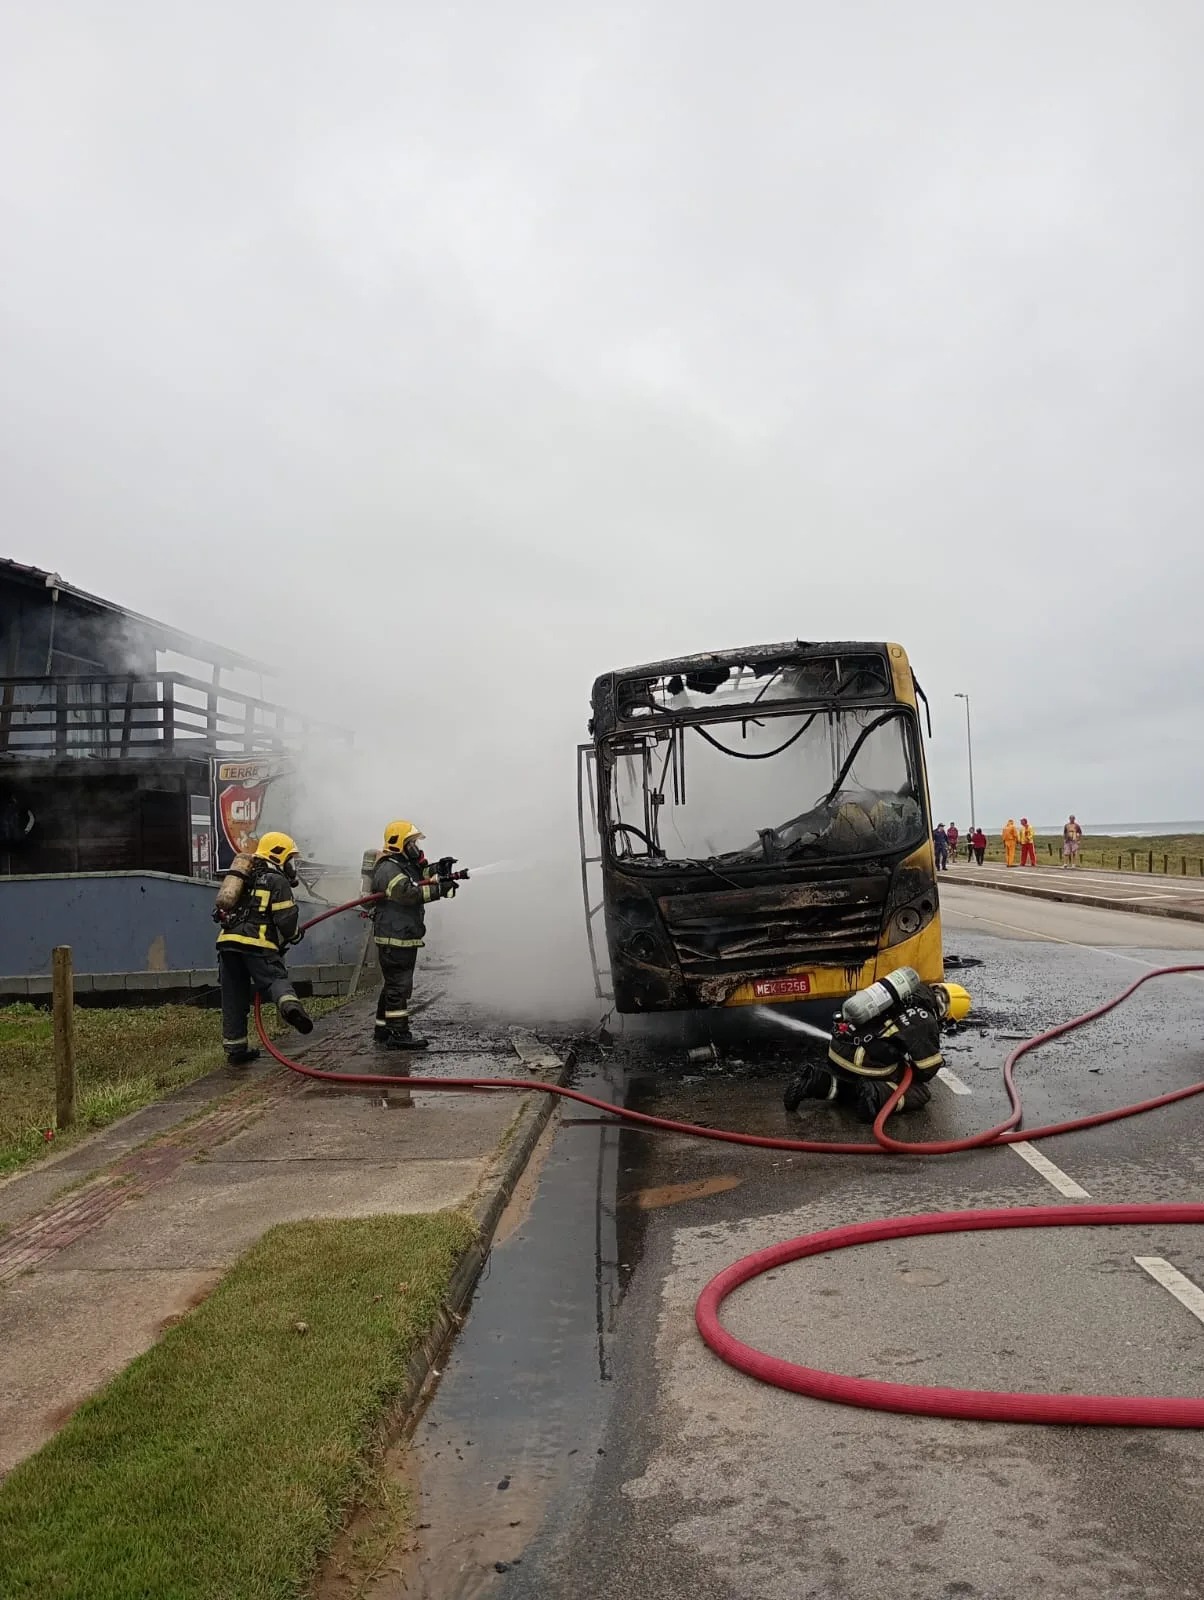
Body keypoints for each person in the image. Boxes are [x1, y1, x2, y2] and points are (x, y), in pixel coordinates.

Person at [214, 831, 313, 1067]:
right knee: (274, 979)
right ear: (278, 855)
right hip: (257, 943)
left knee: (233, 996)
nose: (291, 866)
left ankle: (235, 1049)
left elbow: (220, 911)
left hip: (227, 944)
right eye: (290, 859)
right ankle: (290, 1007)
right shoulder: (276, 880)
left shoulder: (242, 876)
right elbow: (286, 920)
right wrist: (296, 935)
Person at [370, 819, 461, 1050]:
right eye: (412, 843)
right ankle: (398, 1033)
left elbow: (419, 873)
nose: (416, 848)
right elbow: (407, 893)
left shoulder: (402, 864)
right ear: (400, 843)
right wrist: (440, 889)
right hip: (394, 938)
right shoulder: (388, 868)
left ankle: (382, 1029)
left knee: (393, 984)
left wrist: (440, 868)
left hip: (401, 935)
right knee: (399, 987)